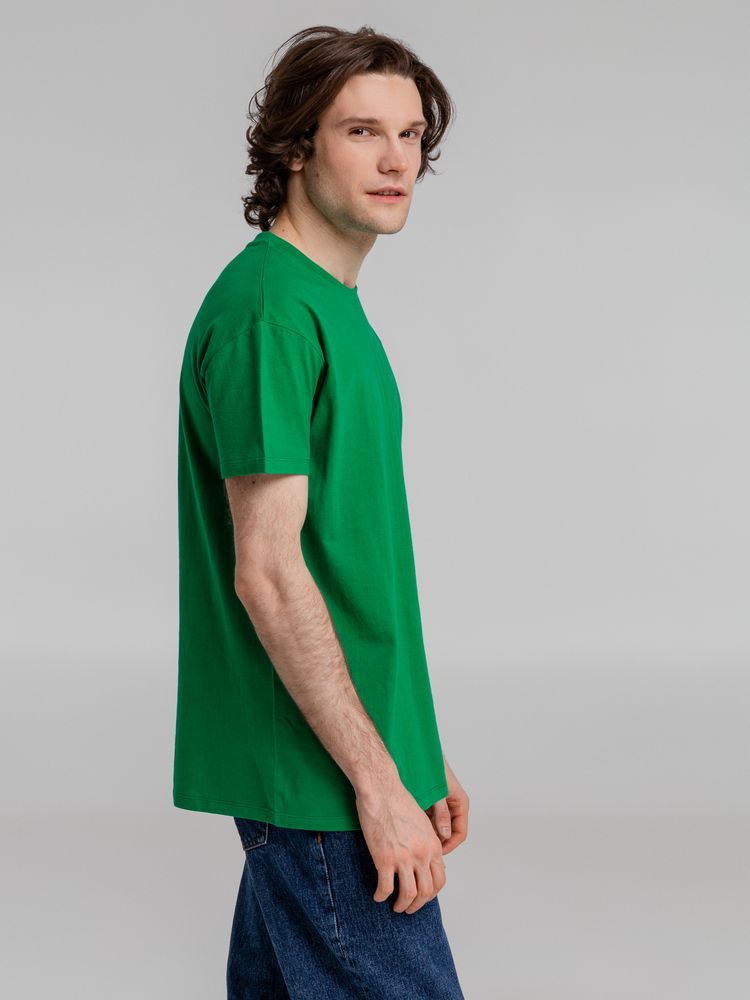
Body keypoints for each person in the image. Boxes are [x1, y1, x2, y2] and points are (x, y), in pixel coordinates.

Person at [173, 23, 469, 999]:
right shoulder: (270, 314)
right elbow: (267, 570)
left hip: (337, 762)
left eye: (411, 134)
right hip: (320, 782)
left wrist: (415, 750)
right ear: (297, 146)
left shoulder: (325, 302)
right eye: (361, 132)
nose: (397, 160)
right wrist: (377, 783)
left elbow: (351, 562)